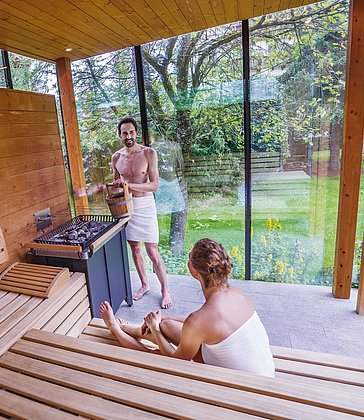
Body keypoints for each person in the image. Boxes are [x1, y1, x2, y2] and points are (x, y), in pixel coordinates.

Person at [99, 238, 275, 377]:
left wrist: (155, 329)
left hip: (244, 386)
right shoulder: (237, 293)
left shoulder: (199, 320)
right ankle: (136, 331)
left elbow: (176, 362)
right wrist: (164, 319)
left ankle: (116, 329)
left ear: (194, 271)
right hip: (263, 372)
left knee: (159, 354)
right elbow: (201, 326)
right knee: (166, 325)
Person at [111, 117, 172, 309]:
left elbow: (154, 185)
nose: (128, 136)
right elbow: (116, 187)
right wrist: (114, 186)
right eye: (124, 133)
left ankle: (165, 290)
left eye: (131, 132)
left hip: (145, 205)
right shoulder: (116, 158)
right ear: (120, 135)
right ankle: (145, 285)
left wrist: (129, 185)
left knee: (152, 251)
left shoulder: (149, 153)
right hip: (128, 206)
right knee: (135, 248)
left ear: (136, 133)